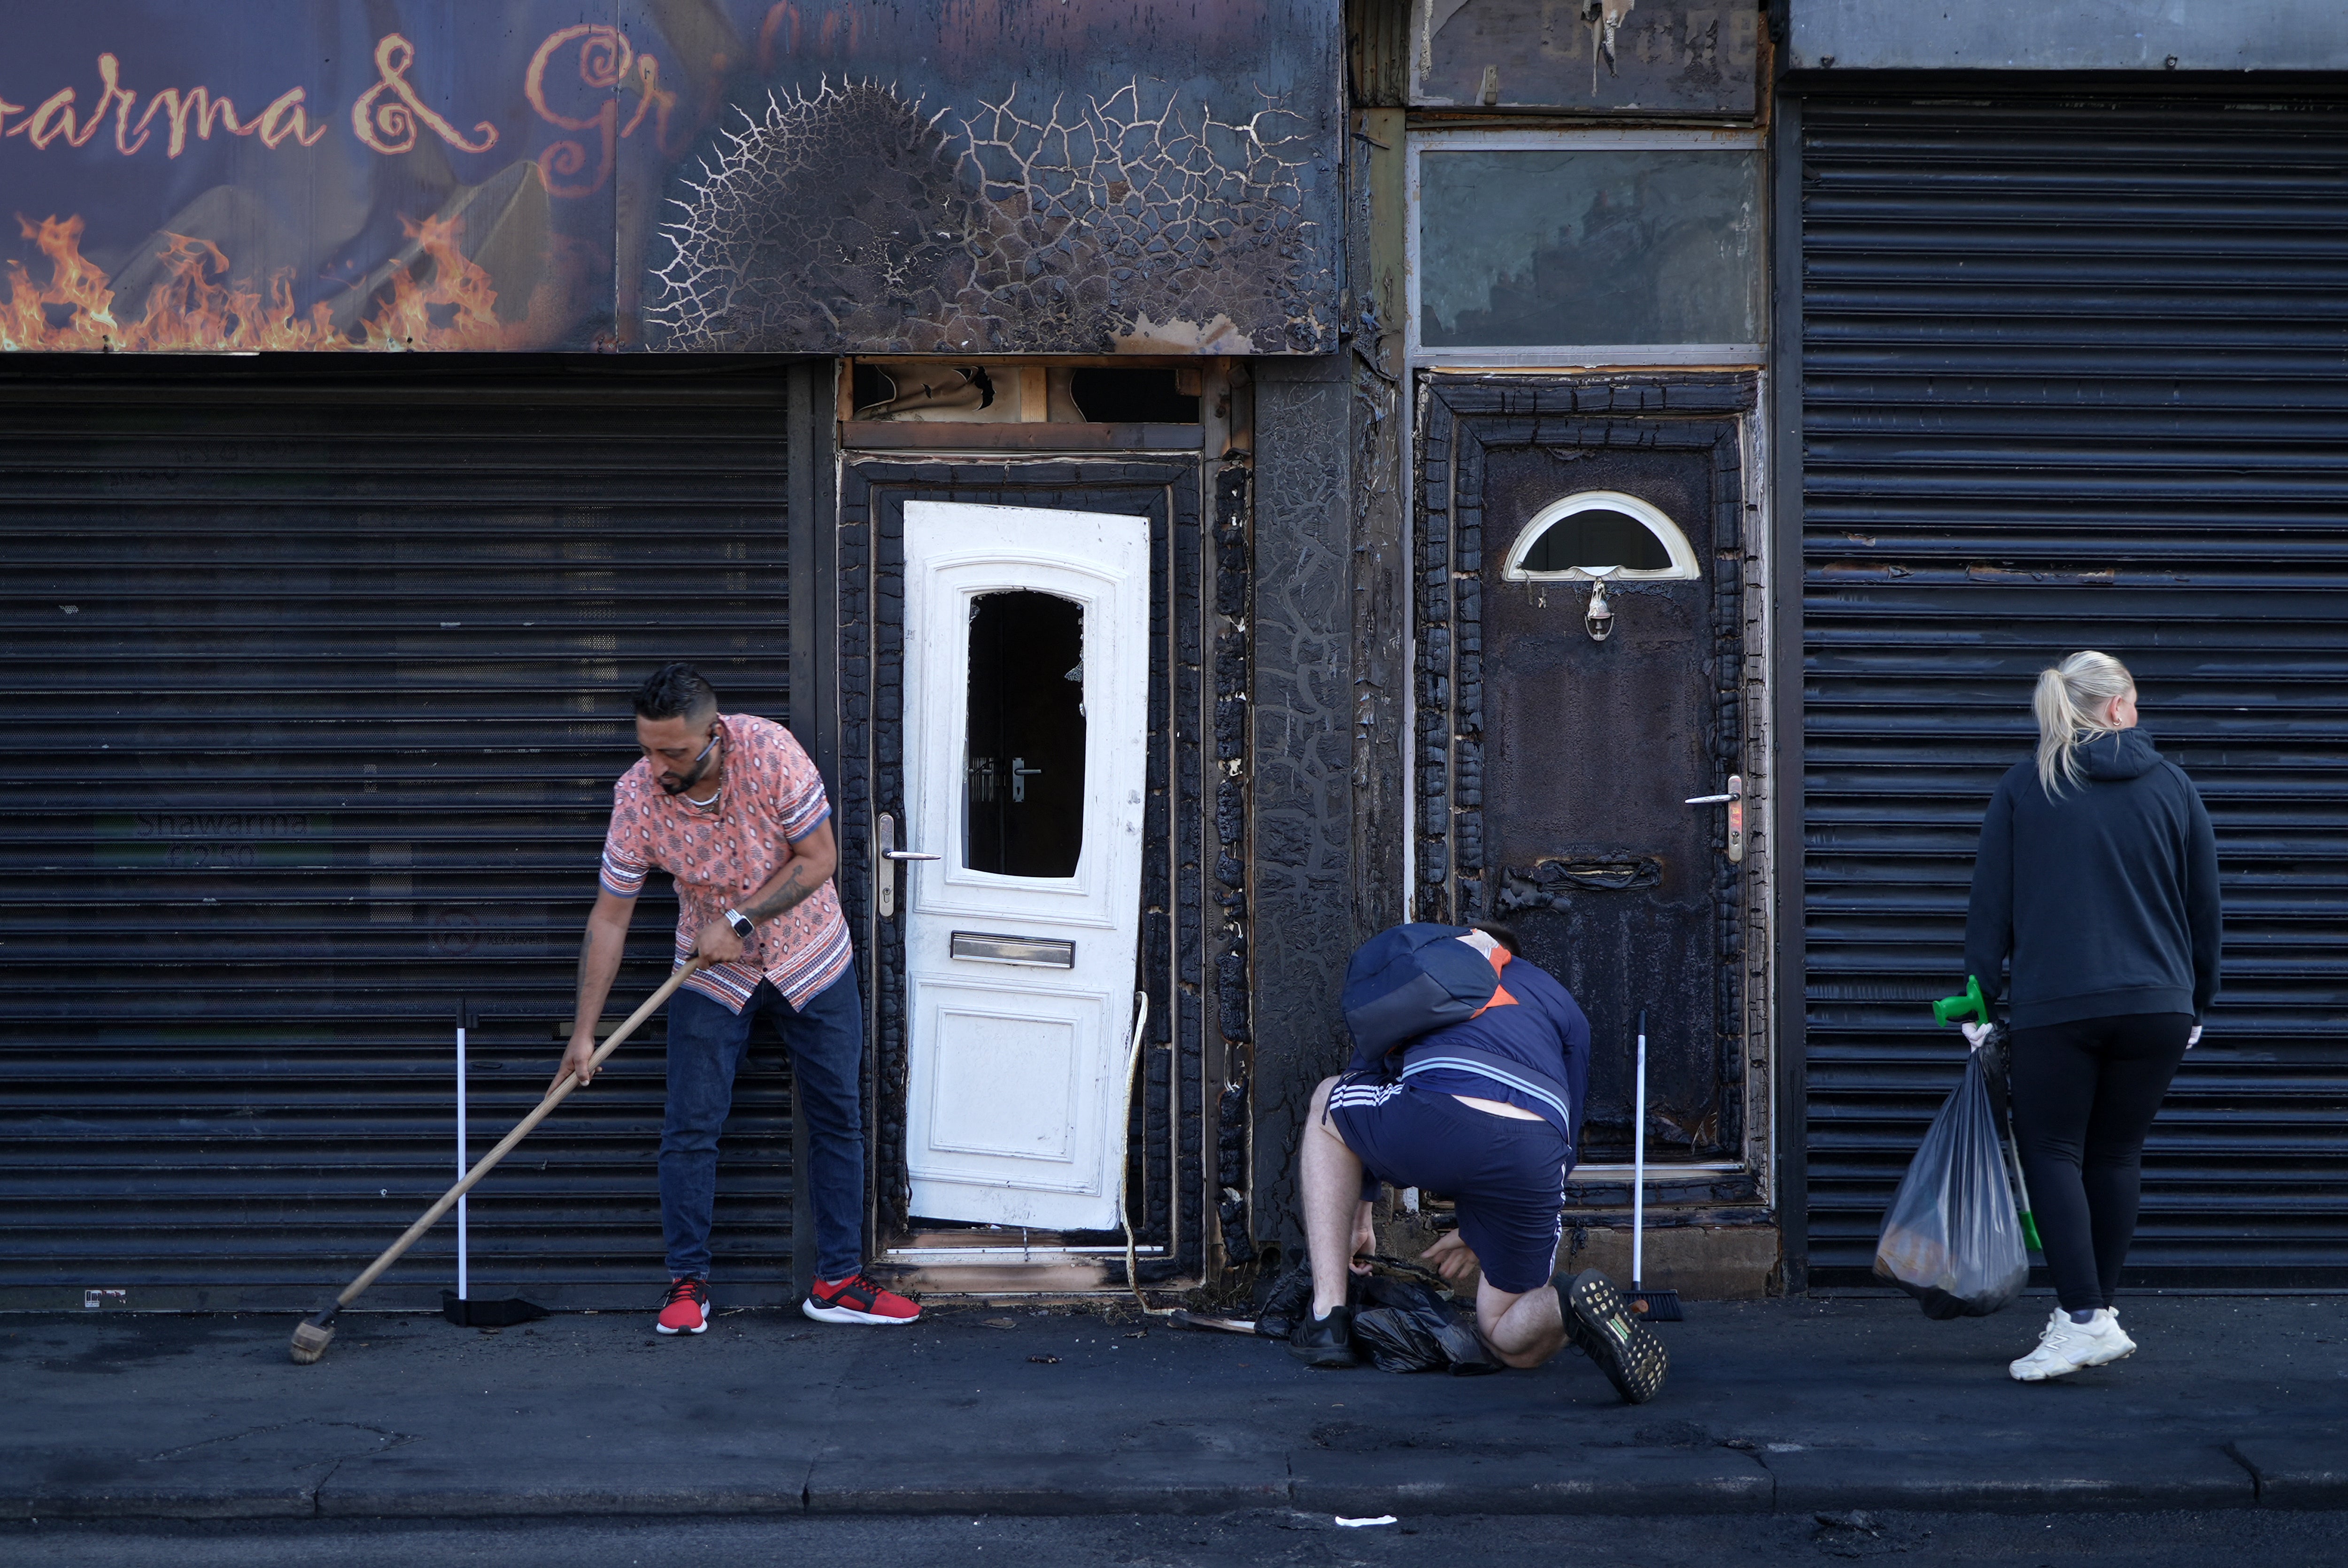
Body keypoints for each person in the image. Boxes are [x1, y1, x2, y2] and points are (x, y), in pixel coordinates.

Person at [556, 662, 919, 1334]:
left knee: (837, 1114)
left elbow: (817, 859)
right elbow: (609, 919)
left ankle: (837, 1282)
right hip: (709, 968)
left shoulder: (771, 752)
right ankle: (686, 1285)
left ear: (714, 736)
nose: (656, 764)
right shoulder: (637, 796)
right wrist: (585, 1033)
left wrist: (743, 920)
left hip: (811, 955)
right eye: (646, 747)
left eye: (672, 751)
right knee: (691, 1124)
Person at [1965, 651, 2219, 1382]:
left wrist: (1979, 998)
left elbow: (1993, 907)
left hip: (2060, 1007)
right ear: (2114, 708)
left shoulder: (2027, 786)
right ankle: (2096, 1313)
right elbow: (2206, 908)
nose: (2138, 713)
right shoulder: (2174, 786)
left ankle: (2081, 1317)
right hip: (2159, 1009)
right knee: (2115, 1156)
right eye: (2134, 701)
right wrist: (2199, 999)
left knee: (2053, 1152)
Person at [1291, 922, 1669, 1403]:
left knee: (1328, 1100)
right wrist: (1480, 1228)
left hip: (1439, 1114)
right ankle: (1565, 1304)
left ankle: (1327, 1318)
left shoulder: (1429, 967)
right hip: (1538, 1149)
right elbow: (1566, 1131)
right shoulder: (1558, 1001)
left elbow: (1364, 1073)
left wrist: (1360, 1212)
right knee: (1505, 1335)